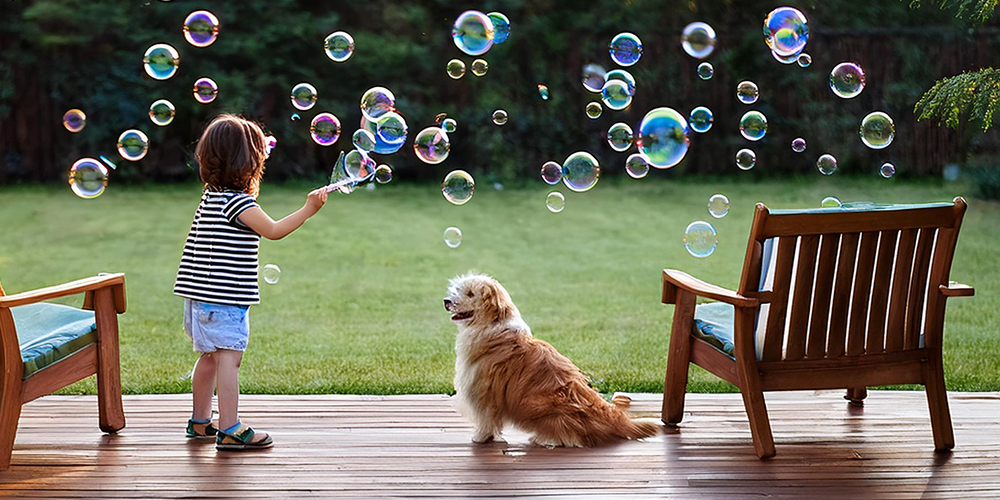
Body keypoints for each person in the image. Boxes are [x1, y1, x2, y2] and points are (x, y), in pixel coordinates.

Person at [173, 114, 327, 450]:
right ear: (247, 162)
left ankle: (200, 422)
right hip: (224, 298)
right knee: (230, 357)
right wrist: (308, 208)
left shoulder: (211, 195)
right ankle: (229, 428)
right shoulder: (237, 202)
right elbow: (273, 230)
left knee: (209, 356)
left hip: (199, 297)